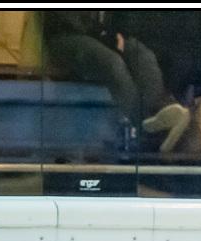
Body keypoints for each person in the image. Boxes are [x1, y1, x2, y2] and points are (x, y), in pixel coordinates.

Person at [43, 11, 189, 153]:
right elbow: (67, 20)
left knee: (144, 56)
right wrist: (104, 34)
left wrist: (119, 32)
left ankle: (157, 113)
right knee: (113, 64)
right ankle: (145, 128)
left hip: (102, 35)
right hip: (66, 36)